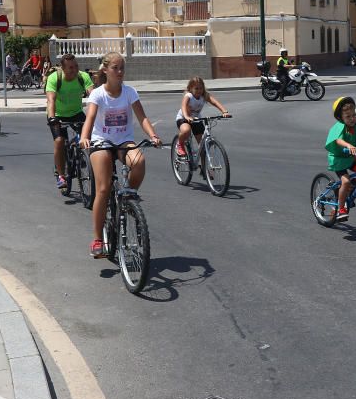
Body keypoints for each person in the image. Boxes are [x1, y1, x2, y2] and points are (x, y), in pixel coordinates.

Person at [79, 52, 161, 258]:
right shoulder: (98, 94)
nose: (120, 72)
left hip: (124, 141)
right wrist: (84, 137)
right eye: (115, 68)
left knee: (139, 161)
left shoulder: (129, 92)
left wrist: (152, 135)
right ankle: (98, 239)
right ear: (105, 70)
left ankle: (127, 198)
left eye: (122, 68)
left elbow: (142, 117)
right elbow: (89, 118)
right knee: (104, 188)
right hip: (101, 142)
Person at [46, 54, 94, 189]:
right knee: (60, 141)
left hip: (76, 113)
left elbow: (93, 96)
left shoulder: (82, 76)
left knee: (90, 137)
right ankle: (61, 176)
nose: (75, 70)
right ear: (63, 68)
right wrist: (52, 117)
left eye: (76, 66)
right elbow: (51, 100)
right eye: (71, 67)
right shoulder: (54, 78)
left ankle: (84, 159)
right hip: (58, 115)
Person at [174, 76, 230, 160]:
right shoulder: (188, 96)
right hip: (183, 118)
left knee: (203, 147)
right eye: (196, 88)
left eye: (201, 88)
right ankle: (180, 144)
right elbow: (183, 106)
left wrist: (224, 111)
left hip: (196, 120)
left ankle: (205, 170)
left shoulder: (204, 96)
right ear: (190, 88)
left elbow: (215, 102)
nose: (199, 91)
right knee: (186, 130)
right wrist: (186, 116)